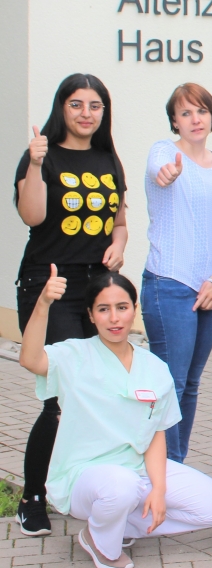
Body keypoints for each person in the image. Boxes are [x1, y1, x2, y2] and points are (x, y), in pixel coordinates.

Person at [18, 270, 212, 568]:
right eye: (103, 309)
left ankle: (121, 526)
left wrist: (157, 489)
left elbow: (156, 434)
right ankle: (100, 540)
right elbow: (29, 359)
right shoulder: (74, 355)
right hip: (86, 476)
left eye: (122, 307)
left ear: (134, 309)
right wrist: (44, 303)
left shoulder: (154, 367)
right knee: (121, 486)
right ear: (90, 315)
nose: (114, 318)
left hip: (137, 470)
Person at [13, 73, 129, 538]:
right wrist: (36, 167)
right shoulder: (42, 155)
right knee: (60, 398)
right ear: (62, 107)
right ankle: (32, 497)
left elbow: (119, 219)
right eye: (77, 104)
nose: (86, 113)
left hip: (97, 288)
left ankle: (85, 487)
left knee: (99, 392)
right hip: (50, 284)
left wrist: (119, 241)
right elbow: (33, 216)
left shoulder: (107, 157)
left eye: (95, 105)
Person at [143, 83, 212, 464]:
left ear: (211, 116)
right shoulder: (164, 152)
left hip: (210, 291)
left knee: (191, 385)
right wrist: (167, 174)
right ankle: (159, 474)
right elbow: (159, 171)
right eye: (185, 113)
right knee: (171, 384)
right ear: (174, 120)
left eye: (201, 111)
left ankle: (175, 467)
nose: (195, 119)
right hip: (169, 285)